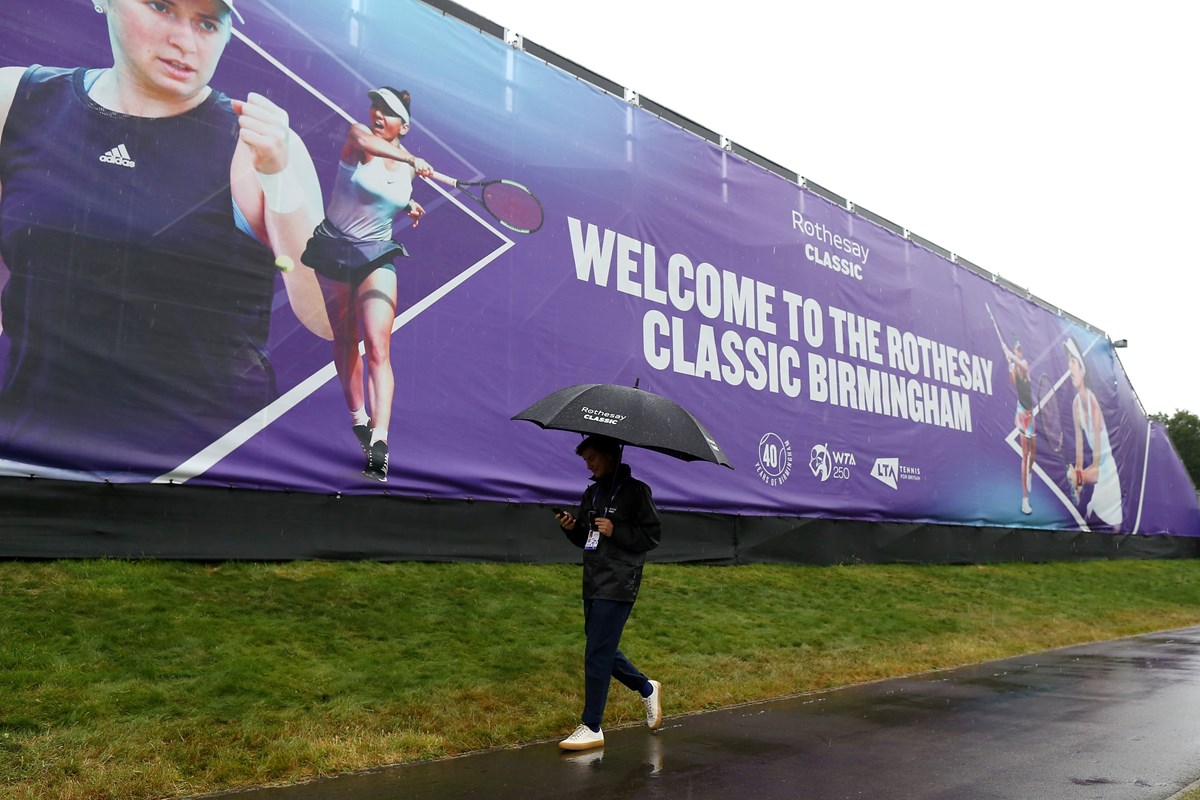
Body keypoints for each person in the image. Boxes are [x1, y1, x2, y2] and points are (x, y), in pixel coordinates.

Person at [0, 0, 331, 476]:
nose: (185, 39)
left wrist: (279, 179)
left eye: (207, 23)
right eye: (161, 6)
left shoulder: (255, 145)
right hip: (30, 454)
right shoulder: (18, 100)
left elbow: (327, 317)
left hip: (197, 475)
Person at [302, 87, 432, 483]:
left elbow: (386, 194)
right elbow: (367, 145)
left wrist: (405, 204)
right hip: (333, 249)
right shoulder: (359, 137)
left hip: (377, 254)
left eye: (389, 111)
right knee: (345, 339)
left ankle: (379, 441)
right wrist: (411, 157)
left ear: (404, 126)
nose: (378, 113)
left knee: (377, 344)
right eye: (377, 105)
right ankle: (358, 418)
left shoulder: (408, 169)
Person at [553, 435, 663, 751]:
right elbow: (587, 537)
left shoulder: (636, 492)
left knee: (597, 652)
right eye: (585, 460)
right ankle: (646, 687)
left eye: (592, 458)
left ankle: (591, 725)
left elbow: (652, 535)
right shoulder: (592, 492)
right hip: (593, 579)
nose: (588, 464)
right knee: (601, 648)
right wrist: (571, 527)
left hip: (619, 582)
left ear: (609, 455)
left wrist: (618, 531)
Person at [1064, 337, 1123, 530]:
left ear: (1082, 368)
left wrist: (1078, 478)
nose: (1069, 367)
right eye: (1068, 362)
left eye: (1073, 362)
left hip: (1108, 475)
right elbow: (1080, 456)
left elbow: (1097, 469)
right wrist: (1078, 479)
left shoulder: (1094, 404)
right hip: (1097, 475)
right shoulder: (1075, 406)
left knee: (1115, 529)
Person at [1003, 337, 1036, 515]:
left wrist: (1011, 355)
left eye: (1020, 349)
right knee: (1025, 455)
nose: (1019, 351)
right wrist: (1009, 364)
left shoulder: (1024, 364)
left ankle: (1030, 473)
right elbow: (1013, 382)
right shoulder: (1016, 366)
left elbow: (1022, 365)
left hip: (1031, 414)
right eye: (1017, 349)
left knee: (1034, 453)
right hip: (1022, 413)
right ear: (1015, 350)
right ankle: (1025, 500)